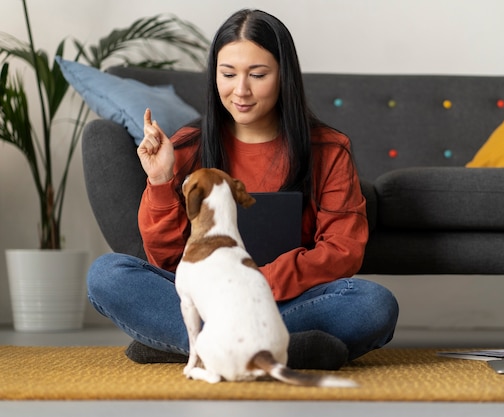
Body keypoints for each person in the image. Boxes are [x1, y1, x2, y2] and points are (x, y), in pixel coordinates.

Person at [87, 8, 399, 370]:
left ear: (284, 76)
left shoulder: (328, 149)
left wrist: (255, 281)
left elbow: (343, 251)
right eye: (228, 74)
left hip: (288, 298)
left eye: (258, 75)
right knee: (107, 274)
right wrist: (160, 180)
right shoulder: (188, 146)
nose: (241, 90)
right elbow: (168, 263)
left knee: (372, 303)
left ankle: (187, 345)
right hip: (208, 299)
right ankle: (282, 348)